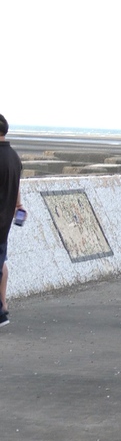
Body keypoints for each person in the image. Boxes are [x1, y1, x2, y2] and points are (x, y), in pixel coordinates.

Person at [1, 113, 23, 328]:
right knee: (2, 262)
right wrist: (18, 205)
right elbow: (16, 186)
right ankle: (3, 305)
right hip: (5, 221)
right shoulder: (14, 157)